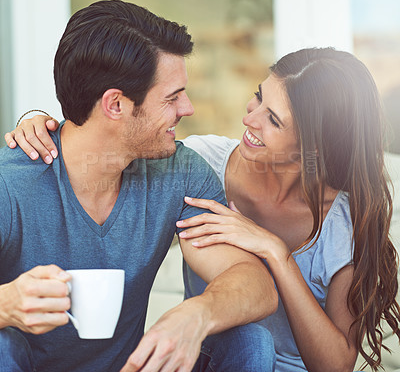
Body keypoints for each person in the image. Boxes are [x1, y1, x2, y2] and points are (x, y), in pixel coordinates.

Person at [11, 47, 400, 372]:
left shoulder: (343, 221)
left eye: (274, 120)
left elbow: (334, 365)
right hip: (211, 354)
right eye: (260, 96)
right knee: (248, 339)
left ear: (312, 147)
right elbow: (111, 139)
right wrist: (39, 124)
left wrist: (276, 253)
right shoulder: (205, 163)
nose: (249, 118)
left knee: (255, 341)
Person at [0, 0, 279, 372]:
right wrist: (6, 304)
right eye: (172, 97)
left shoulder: (180, 173)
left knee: (250, 340)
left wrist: (197, 313)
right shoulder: (10, 183)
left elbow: (255, 285)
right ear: (115, 104)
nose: (188, 108)